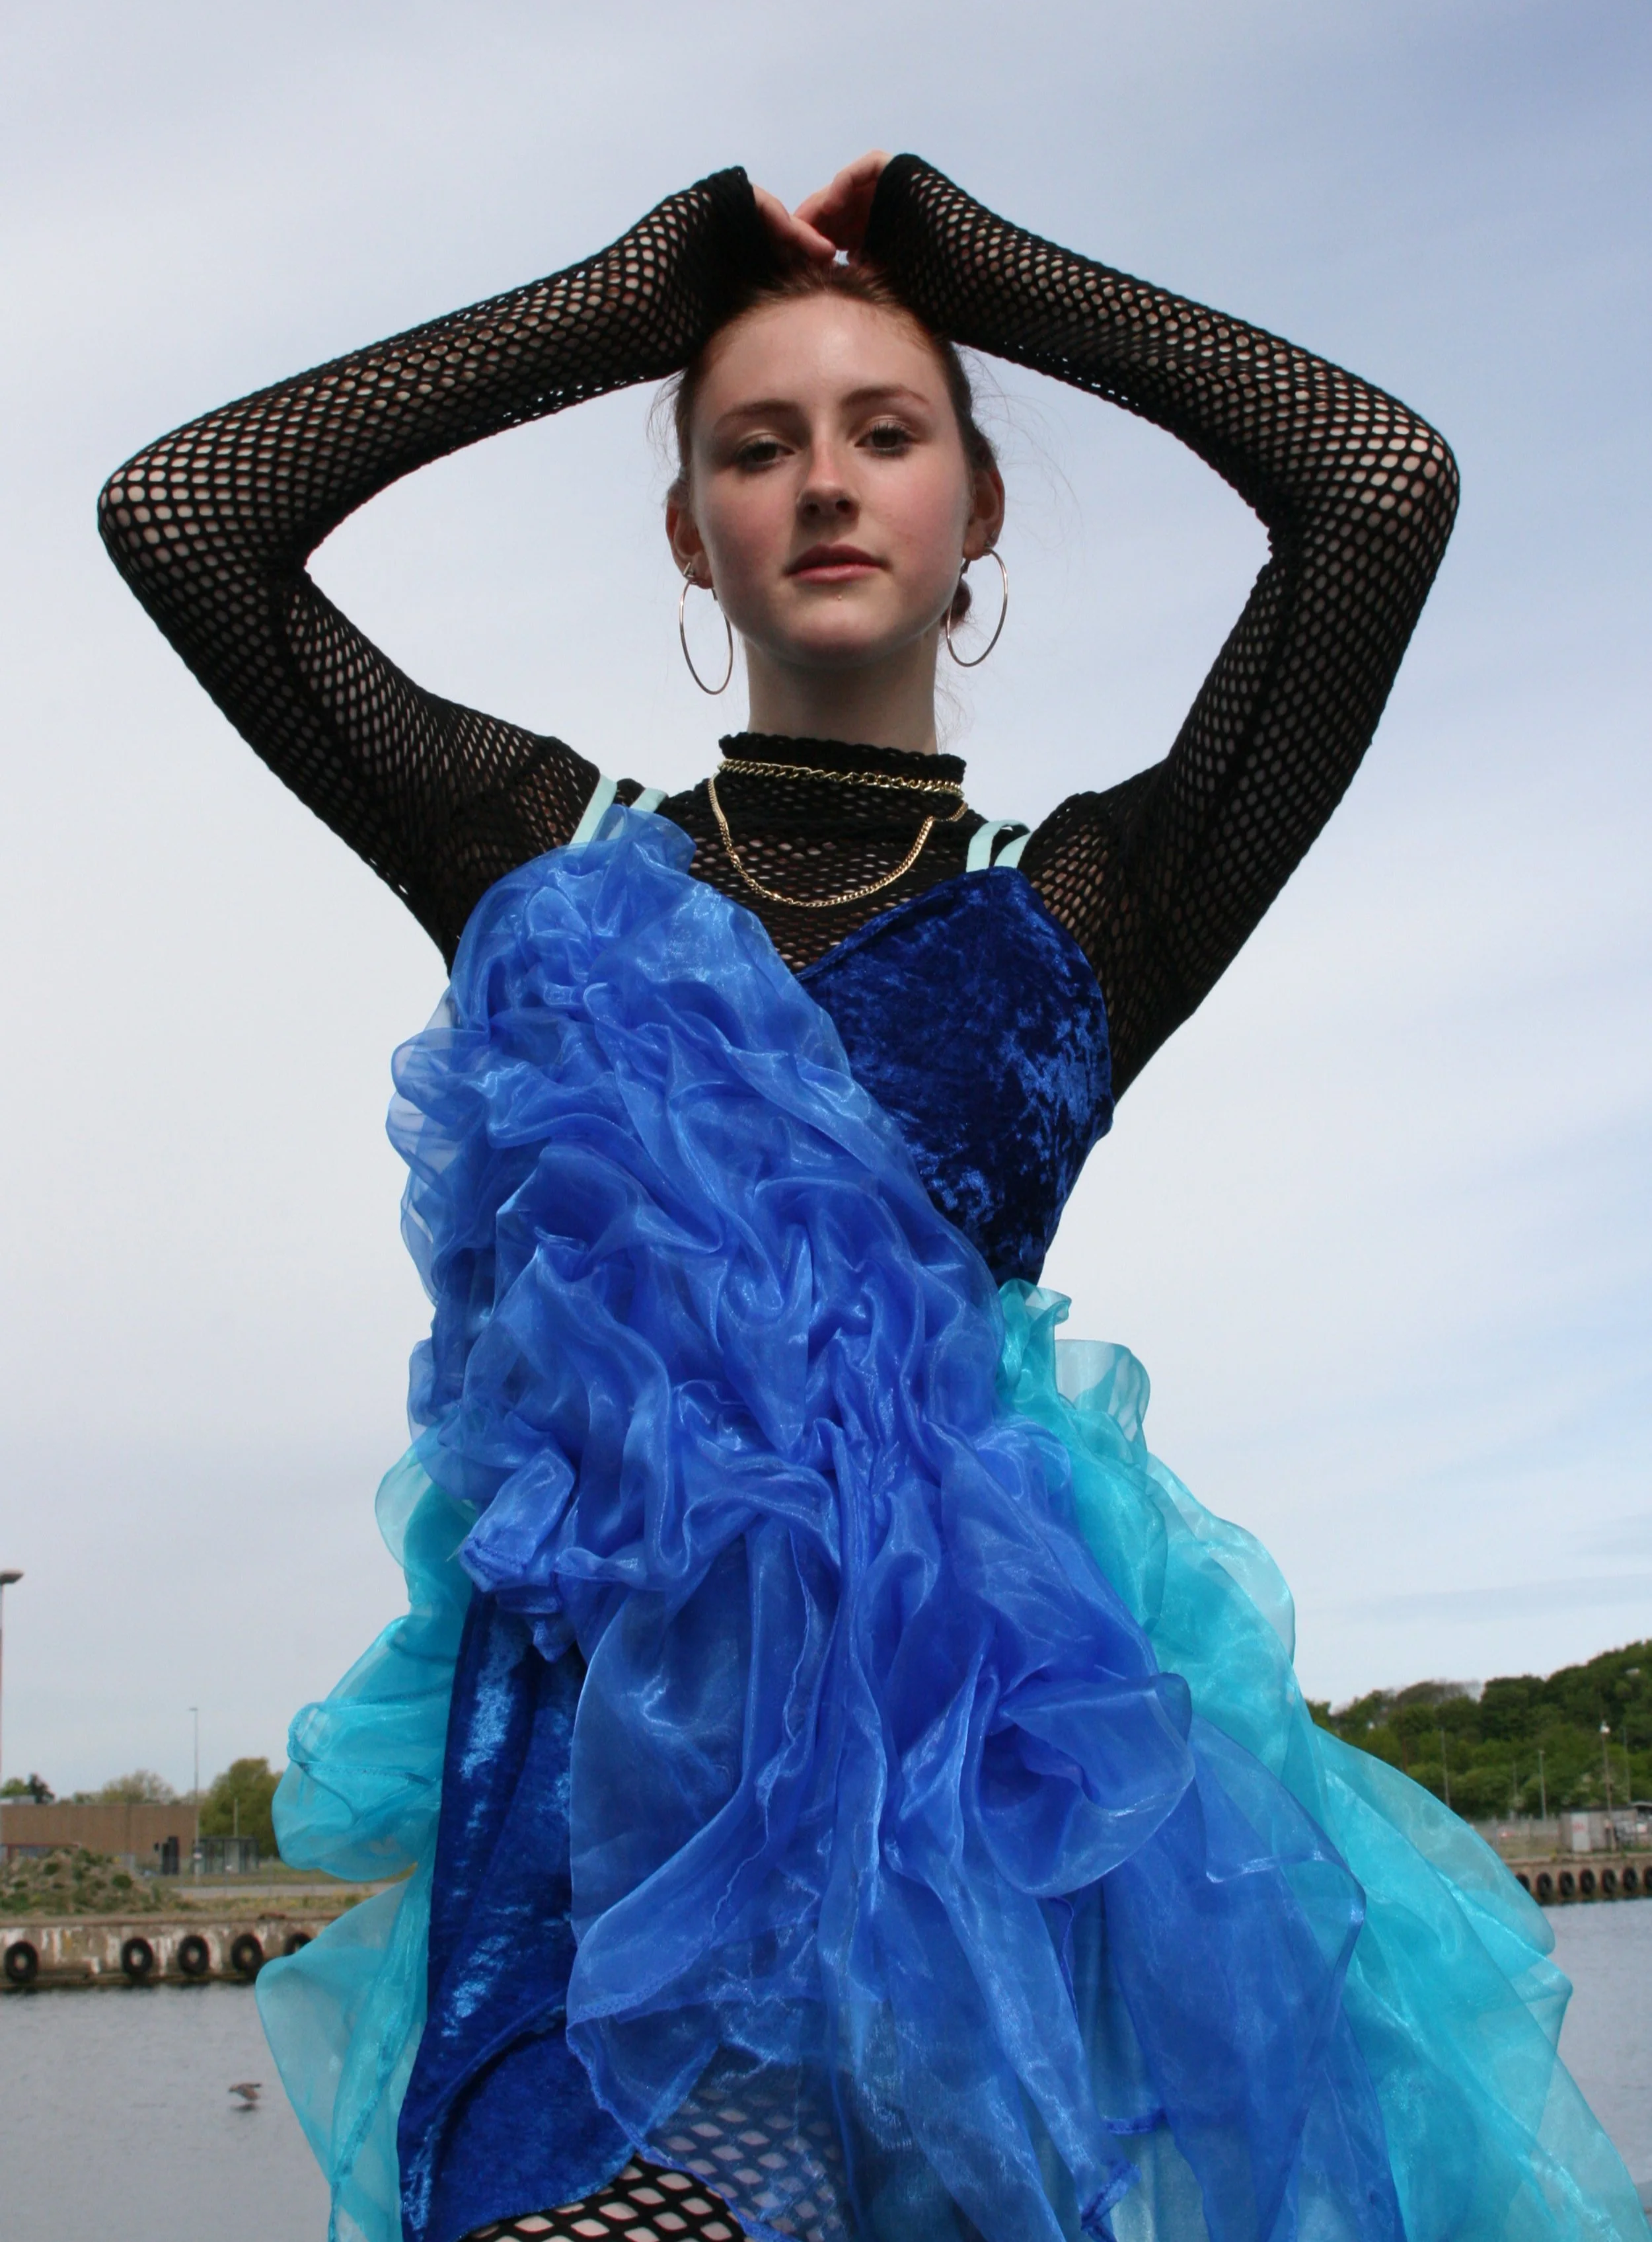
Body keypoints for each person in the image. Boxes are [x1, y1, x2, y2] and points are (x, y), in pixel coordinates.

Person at [99, 153, 1643, 2242]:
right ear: (692, 532)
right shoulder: (541, 862)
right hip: (585, 1829)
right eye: (757, 446)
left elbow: (1369, 487)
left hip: (943, 1826)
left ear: (973, 510)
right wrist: (636, 291)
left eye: (886, 433)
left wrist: (967, 258)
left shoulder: (1094, 907)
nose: (824, 483)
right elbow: (187, 513)